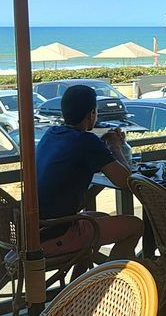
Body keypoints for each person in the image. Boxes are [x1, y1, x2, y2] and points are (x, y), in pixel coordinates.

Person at [36, 85, 143, 261]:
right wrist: (115, 147)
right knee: (135, 225)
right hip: (57, 232)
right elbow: (125, 181)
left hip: (37, 228)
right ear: (92, 114)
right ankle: (113, 280)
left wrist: (101, 148)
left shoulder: (51, 134)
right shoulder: (87, 141)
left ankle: (83, 278)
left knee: (102, 218)